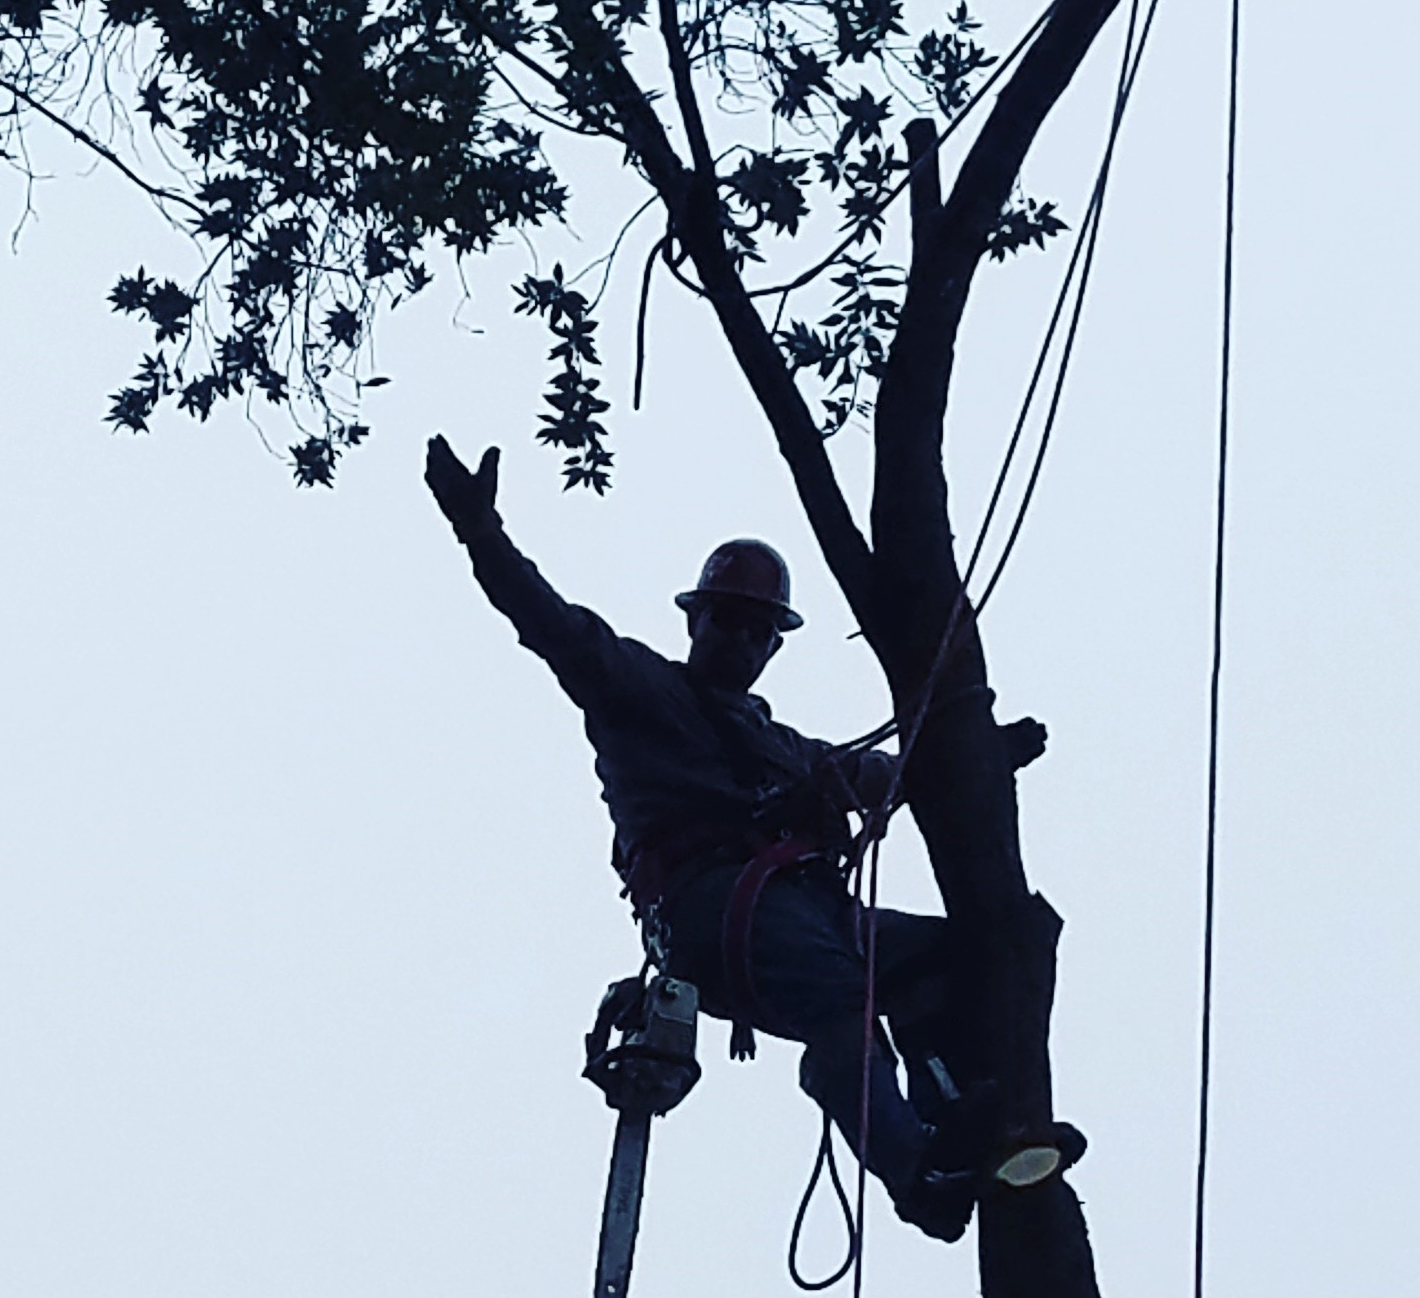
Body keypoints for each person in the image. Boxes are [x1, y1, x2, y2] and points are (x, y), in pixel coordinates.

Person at [424, 434, 1042, 1240]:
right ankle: (915, 1174)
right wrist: (484, 538)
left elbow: (872, 774)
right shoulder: (640, 690)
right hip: (718, 907)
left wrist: (976, 761)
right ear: (698, 620)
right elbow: (555, 629)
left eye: (761, 634)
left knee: (946, 954)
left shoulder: (776, 741)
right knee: (839, 999)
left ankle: (953, 1117)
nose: (744, 644)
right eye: (731, 623)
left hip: (808, 910)